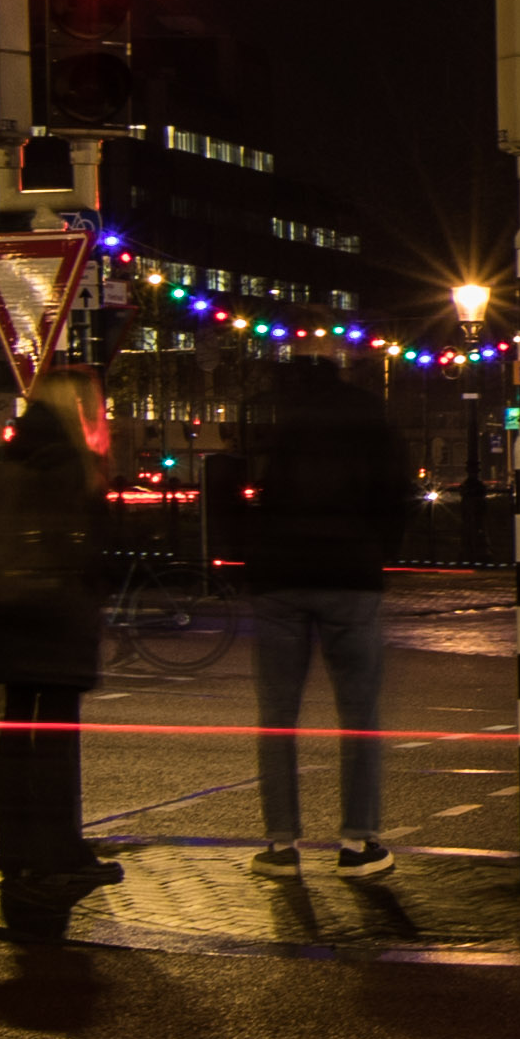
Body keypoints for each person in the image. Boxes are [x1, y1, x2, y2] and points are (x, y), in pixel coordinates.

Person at [210, 352, 410, 876]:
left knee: (278, 715)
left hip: (278, 573)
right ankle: (357, 841)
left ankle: (280, 844)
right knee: (359, 714)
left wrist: (244, 555)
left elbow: (226, 481)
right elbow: (396, 490)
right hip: (349, 572)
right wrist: (375, 548)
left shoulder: (264, 409)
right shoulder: (366, 410)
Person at [0, 383, 115, 940]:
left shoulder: (2, 467)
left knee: (15, 733)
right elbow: (96, 550)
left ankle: (16, 850)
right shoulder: (73, 469)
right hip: (60, 619)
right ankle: (61, 850)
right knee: (58, 739)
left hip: (10, 618)